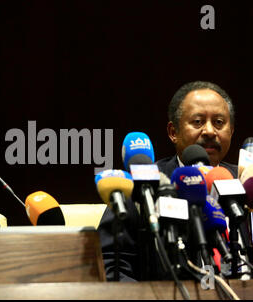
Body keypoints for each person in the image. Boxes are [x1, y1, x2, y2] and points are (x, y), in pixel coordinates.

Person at [97, 81, 238, 281]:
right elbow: (111, 263)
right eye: (198, 122)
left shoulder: (245, 184)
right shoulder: (142, 184)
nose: (209, 131)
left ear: (231, 131)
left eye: (219, 122)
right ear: (173, 132)